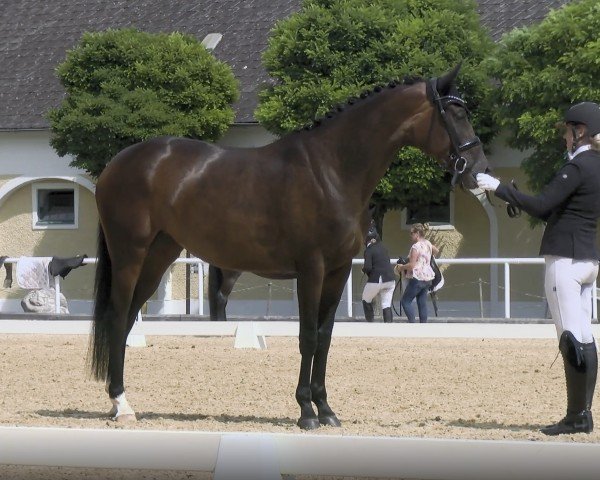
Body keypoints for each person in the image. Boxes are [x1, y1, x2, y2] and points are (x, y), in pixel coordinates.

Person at [477, 101, 600, 435]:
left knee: (570, 338)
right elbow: (550, 211)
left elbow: (543, 204)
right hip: (588, 259)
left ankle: (576, 416)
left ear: (580, 131)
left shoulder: (576, 167)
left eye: (566, 131)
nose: (564, 137)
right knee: (586, 337)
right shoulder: (596, 166)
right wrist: (516, 196)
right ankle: (583, 413)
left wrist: (498, 188)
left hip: (565, 260)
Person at [395, 223, 439, 323]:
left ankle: (412, 324)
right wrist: (427, 257)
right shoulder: (427, 243)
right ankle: (423, 327)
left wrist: (401, 267)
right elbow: (436, 251)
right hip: (428, 277)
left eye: (412, 233)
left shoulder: (416, 247)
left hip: (418, 277)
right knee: (422, 303)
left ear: (417, 233)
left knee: (405, 301)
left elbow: (412, 265)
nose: (410, 235)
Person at [362, 229, 396, 323]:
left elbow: (368, 267)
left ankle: (370, 323)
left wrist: (364, 270)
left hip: (377, 279)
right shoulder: (383, 248)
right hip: (390, 279)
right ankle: (388, 327)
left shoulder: (368, 250)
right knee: (386, 304)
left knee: (366, 299)